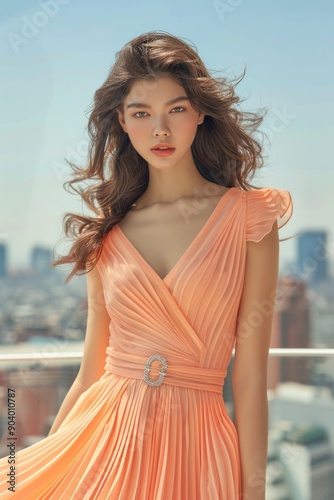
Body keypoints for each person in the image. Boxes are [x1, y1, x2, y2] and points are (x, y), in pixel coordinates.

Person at [0, 31, 293, 499]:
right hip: (104, 445)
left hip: (199, 450)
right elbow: (91, 372)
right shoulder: (106, 233)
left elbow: (251, 377)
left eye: (176, 109)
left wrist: (253, 490)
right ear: (122, 120)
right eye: (142, 113)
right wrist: (46, 463)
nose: (161, 130)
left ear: (199, 113)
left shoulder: (249, 218)